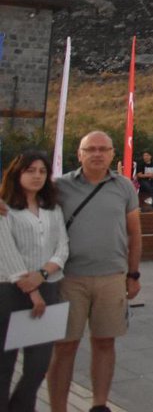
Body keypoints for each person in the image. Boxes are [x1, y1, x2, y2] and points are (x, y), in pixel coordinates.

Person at [47, 131, 141, 412]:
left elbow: (134, 233)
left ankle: (99, 404)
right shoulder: (60, 186)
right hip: (69, 278)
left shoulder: (124, 187)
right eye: (91, 149)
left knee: (105, 342)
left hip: (111, 277)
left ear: (112, 154)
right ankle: (58, 407)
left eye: (103, 149)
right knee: (64, 346)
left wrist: (133, 274)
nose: (97, 154)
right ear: (80, 154)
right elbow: (29, 205)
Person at [0, 150, 68, 412]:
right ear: (17, 173)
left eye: (42, 171)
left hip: (48, 287)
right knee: (4, 364)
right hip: (10, 290)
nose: (37, 176)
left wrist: (43, 274)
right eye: (30, 170)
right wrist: (31, 289)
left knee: (38, 364)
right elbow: (6, 252)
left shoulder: (52, 208)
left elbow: (62, 247)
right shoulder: (4, 207)